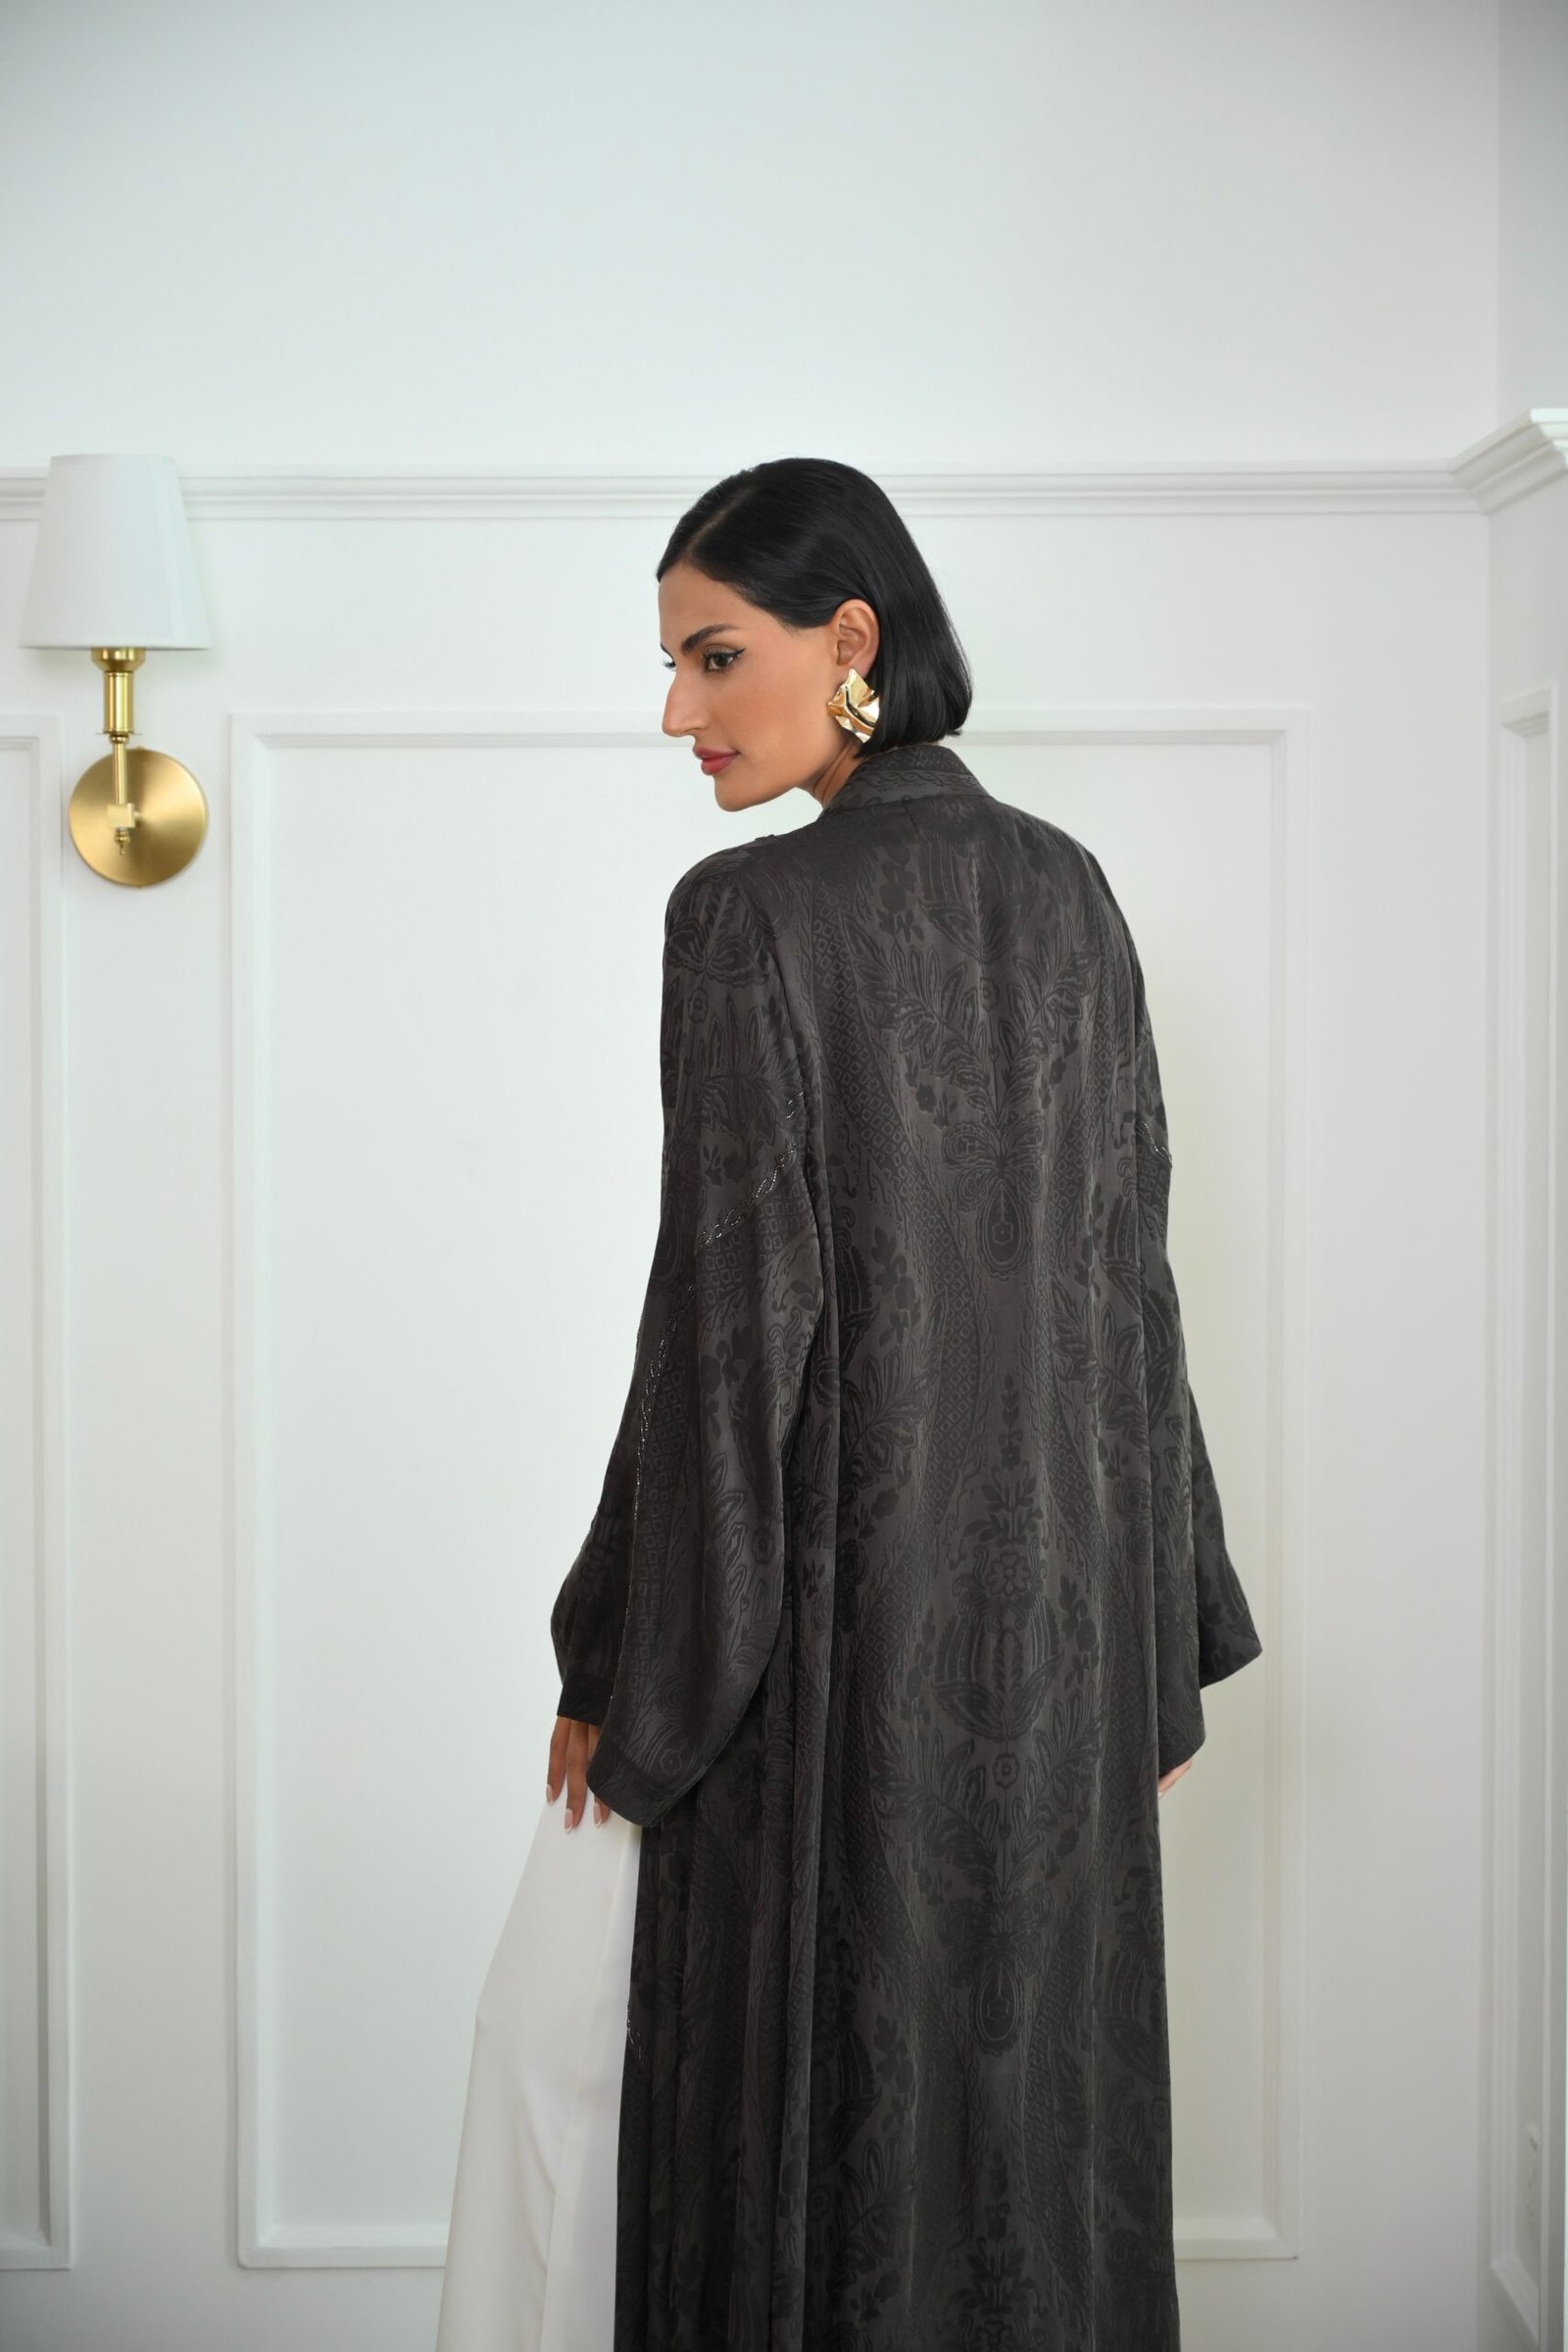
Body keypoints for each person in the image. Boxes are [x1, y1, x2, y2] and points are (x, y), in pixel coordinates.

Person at [439, 456, 1262, 2351]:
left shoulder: (747, 916)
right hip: (1060, 1669)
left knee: (789, 2161)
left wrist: (619, 1669)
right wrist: (1160, 1636)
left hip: (836, 1673)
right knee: (1021, 2170)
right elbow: (1130, 1287)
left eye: (715, 656)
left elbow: (725, 1339)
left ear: (854, 638)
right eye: (671, 666)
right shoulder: (1071, 890)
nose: (679, 712)